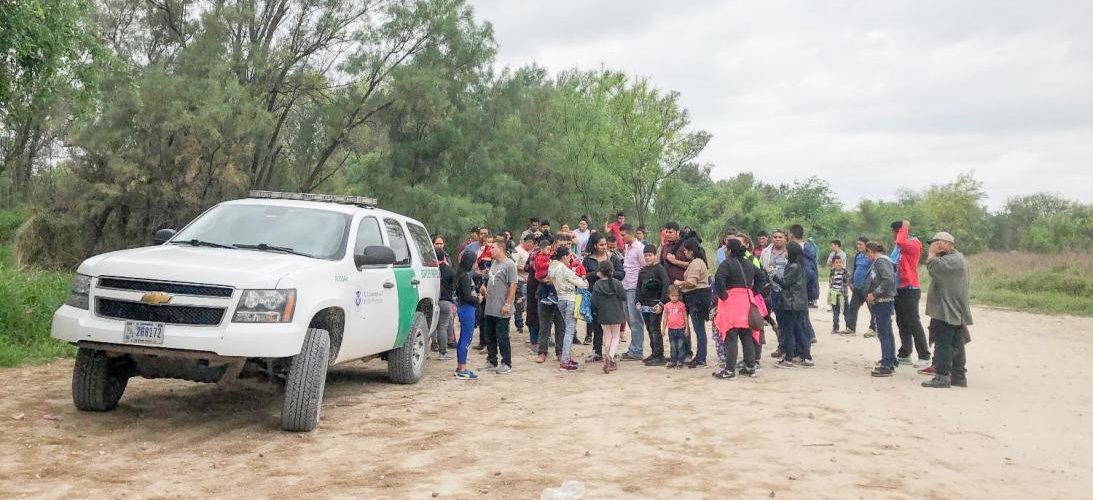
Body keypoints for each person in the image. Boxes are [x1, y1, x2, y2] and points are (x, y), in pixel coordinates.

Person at [922, 232, 973, 388]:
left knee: (943, 343)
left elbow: (933, 267)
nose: (933, 246)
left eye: (936, 243)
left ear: (945, 243)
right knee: (956, 343)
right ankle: (958, 376)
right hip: (952, 308)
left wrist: (931, 253)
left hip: (947, 309)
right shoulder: (956, 258)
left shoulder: (953, 260)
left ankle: (942, 376)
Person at [712, 239, 765, 379]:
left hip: (731, 301)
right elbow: (762, 277)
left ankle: (730, 371)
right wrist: (753, 292)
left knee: (731, 336)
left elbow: (719, 279)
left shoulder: (727, 263)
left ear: (729, 250)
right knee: (746, 335)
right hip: (747, 300)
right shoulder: (748, 263)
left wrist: (723, 295)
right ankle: (750, 367)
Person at [891, 220, 932, 368]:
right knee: (902, 323)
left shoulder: (913, 244)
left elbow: (901, 242)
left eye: (894, 232)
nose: (893, 236)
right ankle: (905, 353)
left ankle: (925, 355)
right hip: (898, 289)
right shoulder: (897, 248)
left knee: (913, 322)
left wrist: (905, 227)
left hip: (910, 289)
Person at [582, 233, 624, 360]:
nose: (604, 247)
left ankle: (610, 352)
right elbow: (584, 275)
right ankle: (597, 351)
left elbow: (622, 274)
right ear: (594, 245)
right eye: (601, 244)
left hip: (612, 297)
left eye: (605, 244)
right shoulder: (588, 259)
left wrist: (608, 275)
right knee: (596, 324)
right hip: (594, 294)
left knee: (610, 327)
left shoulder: (613, 258)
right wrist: (596, 274)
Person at [772, 242, 812, 368]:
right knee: (799, 330)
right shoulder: (798, 265)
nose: (785, 253)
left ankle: (788, 359)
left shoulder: (794, 266)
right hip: (798, 304)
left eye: (786, 251)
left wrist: (773, 274)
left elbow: (785, 282)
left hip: (791, 304)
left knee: (789, 331)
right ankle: (806, 358)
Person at [548, 247, 588, 371]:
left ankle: (566, 357)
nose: (570, 259)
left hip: (560, 299)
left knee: (567, 329)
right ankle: (565, 360)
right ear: (564, 256)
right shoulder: (565, 270)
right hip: (570, 299)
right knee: (570, 330)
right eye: (569, 256)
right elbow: (582, 284)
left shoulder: (552, 267)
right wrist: (584, 279)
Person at [481, 240, 517, 374]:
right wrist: (484, 288)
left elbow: (513, 285)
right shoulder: (493, 263)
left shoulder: (510, 265)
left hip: (502, 308)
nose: (490, 250)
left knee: (502, 337)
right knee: (489, 336)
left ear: (501, 249)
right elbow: (492, 280)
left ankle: (506, 363)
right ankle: (491, 360)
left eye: (493, 248)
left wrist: (507, 304)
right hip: (490, 307)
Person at [674, 237, 711, 369]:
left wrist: (679, 283)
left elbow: (692, 282)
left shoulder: (696, 263)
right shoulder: (697, 262)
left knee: (699, 329)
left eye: (686, 250)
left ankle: (701, 358)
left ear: (691, 251)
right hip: (697, 297)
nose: (684, 253)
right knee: (699, 329)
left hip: (696, 298)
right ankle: (700, 357)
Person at [863, 242, 898, 377]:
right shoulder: (882, 261)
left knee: (883, 333)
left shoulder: (881, 262)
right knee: (887, 331)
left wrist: (874, 293)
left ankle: (886, 365)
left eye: (868, 253)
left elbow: (888, 280)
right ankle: (889, 359)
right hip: (883, 301)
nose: (867, 257)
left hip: (883, 301)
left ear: (871, 251)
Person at [661, 222, 693, 359]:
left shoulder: (684, 246)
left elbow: (692, 263)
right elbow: (662, 264)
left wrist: (675, 262)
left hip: (683, 288)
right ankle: (676, 353)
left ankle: (687, 352)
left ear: (677, 232)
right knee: (673, 319)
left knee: (683, 320)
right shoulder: (665, 247)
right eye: (666, 232)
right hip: (671, 288)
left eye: (671, 232)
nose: (668, 234)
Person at [591, 260, 627, 374]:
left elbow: (594, 302)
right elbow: (624, 297)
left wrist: (595, 311)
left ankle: (607, 356)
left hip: (603, 313)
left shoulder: (597, 284)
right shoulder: (617, 283)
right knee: (616, 336)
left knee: (607, 335)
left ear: (600, 272)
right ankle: (610, 358)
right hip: (616, 313)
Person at [637, 244, 670, 366]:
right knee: (649, 328)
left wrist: (662, 303)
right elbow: (638, 287)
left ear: (655, 256)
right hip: (645, 304)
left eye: (650, 255)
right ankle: (654, 353)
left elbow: (666, 285)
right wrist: (637, 301)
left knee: (655, 328)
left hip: (656, 303)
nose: (648, 258)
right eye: (645, 255)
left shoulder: (660, 269)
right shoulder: (643, 271)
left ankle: (659, 355)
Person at [619, 225, 648, 362]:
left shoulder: (640, 248)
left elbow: (644, 267)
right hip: (625, 285)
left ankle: (637, 351)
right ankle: (634, 348)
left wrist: (640, 288)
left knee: (635, 319)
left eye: (624, 235)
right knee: (629, 318)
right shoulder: (626, 247)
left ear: (631, 234)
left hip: (634, 287)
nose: (622, 237)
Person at [760, 229, 789, 358]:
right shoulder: (766, 252)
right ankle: (781, 347)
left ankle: (787, 348)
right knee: (775, 320)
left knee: (785, 321)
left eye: (780, 237)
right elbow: (761, 268)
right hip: (770, 291)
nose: (777, 239)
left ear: (785, 239)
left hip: (785, 291)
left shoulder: (789, 252)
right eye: (775, 237)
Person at [535, 236, 564, 363]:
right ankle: (542, 351)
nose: (561, 245)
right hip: (544, 293)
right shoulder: (541, 256)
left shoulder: (568, 257)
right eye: (559, 243)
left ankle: (561, 351)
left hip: (562, 295)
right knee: (544, 324)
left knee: (561, 325)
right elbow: (535, 272)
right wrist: (542, 279)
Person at [788, 225, 819, 343]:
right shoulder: (807, 248)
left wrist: (800, 285)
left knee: (801, 312)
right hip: (803, 286)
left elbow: (808, 271)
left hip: (801, 287)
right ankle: (809, 335)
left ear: (791, 234)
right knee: (803, 312)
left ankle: (807, 337)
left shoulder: (802, 250)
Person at [453, 251, 480, 380]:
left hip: (465, 308)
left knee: (463, 338)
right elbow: (468, 297)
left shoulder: (461, 275)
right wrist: (479, 298)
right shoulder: (465, 277)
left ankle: (460, 366)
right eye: (475, 261)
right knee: (466, 339)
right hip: (467, 309)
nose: (476, 264)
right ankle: (462, 369)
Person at [844, 237, 877, 336]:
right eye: (857, 244)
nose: (858, 246)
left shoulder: (872, 257)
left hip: (868, 288)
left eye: (860, 244)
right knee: (853, 308)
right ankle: (850, 328)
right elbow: (855, 269)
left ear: (867, 245)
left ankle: (873, 329)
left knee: (873, 309)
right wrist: (850, 281)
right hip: (857, 288)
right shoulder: (858, 256)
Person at [434, 248, 455, 361]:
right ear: (444, 257)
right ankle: (443, 353)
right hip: (445, 301)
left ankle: (426, 351)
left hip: (431, 301)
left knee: (428, 327)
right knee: (442, 327)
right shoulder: (449, 270)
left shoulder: (430, 269)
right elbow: (455, 284)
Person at [661, 286, 689, 369]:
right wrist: (663, 328)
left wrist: (687, 328)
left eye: (676, 295)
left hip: (681, 329)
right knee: (672, 345)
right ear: (669, 296)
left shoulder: (681, 305)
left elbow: (685, 316)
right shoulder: (666, 306)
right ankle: (673, 360)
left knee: (681, 345)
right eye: (672, 296)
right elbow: (665, 318)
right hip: (671, 329)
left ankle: (680, 361)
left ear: (679, 296)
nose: (674, 297)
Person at [513, 234, 534, 335]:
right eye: (532, 244)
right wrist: (526, 269)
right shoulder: (517, 251)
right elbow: (513, 265)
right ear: (528, 242)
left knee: (526, 303)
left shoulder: (531, 252)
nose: (532, 247)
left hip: (528, 280)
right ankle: (519, 323)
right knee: (518, 303)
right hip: (519, 279)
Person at [828, 255, 851, 334]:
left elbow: (848, 282)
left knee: (846, 312)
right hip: (834, 296)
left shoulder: (845, 272)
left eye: (840, 262)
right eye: (837, 263)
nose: (839, 264)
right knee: (835, 313)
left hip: (843, 295)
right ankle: (835, 327)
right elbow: (830, 283)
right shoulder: (832, 272)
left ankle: (849, 327)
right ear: (833, 264)